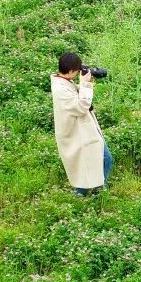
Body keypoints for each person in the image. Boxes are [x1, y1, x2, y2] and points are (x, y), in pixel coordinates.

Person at [51, 52, 113, 196]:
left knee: (94, 162)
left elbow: (76, 96)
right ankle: (94, 193)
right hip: (78, 133)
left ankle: (90, 191)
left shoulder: (64, 82)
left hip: (84, 131)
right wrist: (85, 84)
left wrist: (85, 83)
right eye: (77, 70)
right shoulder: (60, 88)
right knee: (103, 159)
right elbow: (80, 106)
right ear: (71, 70)